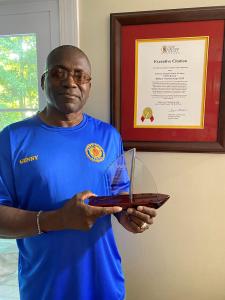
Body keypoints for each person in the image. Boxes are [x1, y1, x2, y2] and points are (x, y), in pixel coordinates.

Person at [0, 45, 157, 300]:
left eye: (79, 75)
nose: (70, 83)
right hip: (45, 286)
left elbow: (119, 194)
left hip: (104, 283)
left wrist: (130, 217)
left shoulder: (109, 136)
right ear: (43, 80)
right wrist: (58, 219)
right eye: (59, 73)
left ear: (89, 85)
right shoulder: (12, 139)